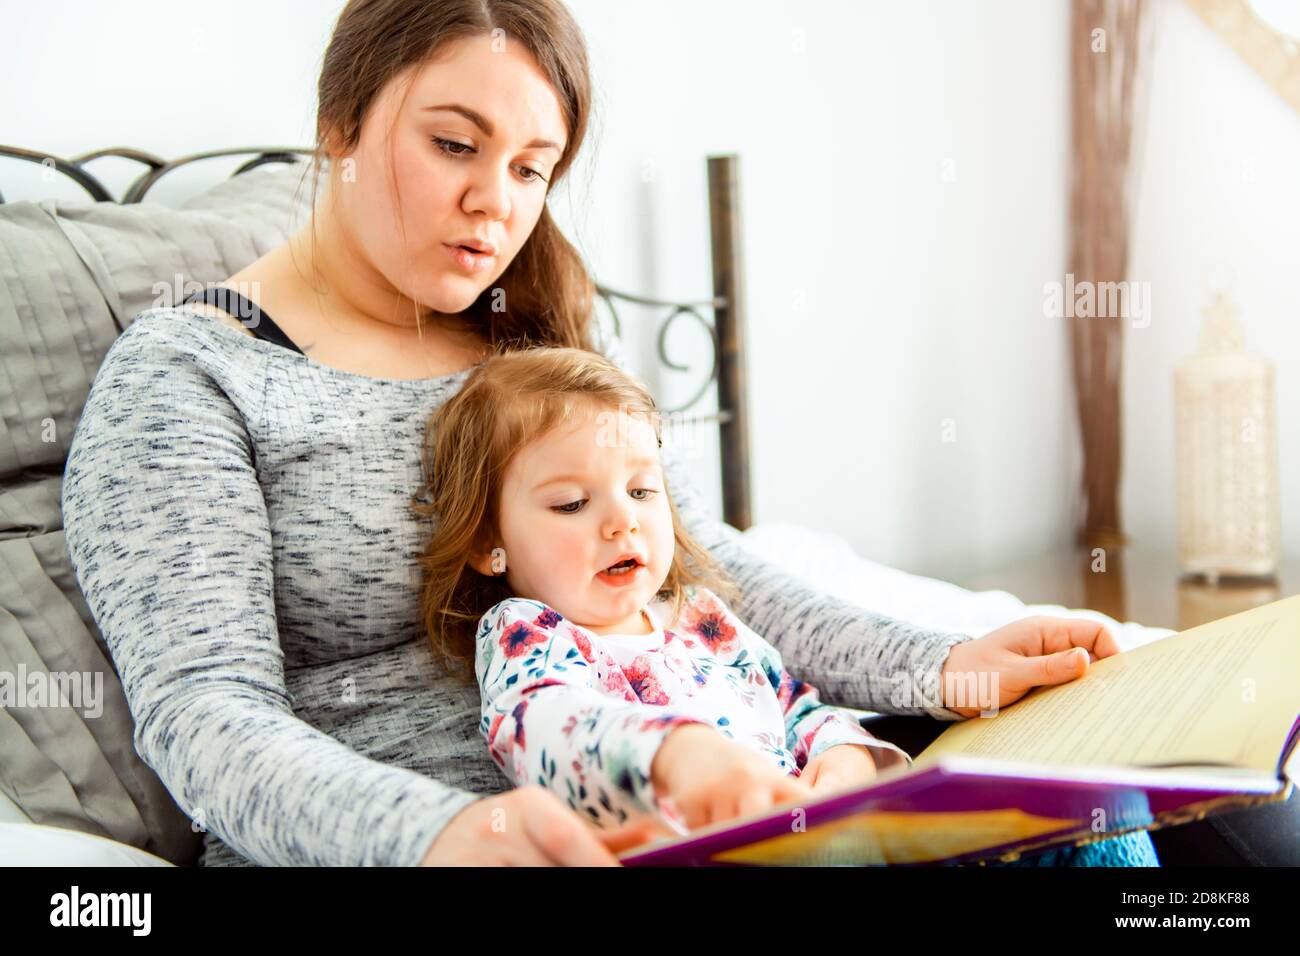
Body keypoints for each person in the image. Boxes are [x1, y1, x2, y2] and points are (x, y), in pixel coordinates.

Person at [61, 0, 1154, 866]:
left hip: (714, 811)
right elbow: (204, 714)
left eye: (533, 167)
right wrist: (442, 837)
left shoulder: (528, 345)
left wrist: (942, 661)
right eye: (454, 144)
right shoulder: (186, 378)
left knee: (1120, 813)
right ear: (338, 123)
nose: (495, 203)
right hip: (434, 841)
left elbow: (700, 574)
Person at [420, 347, 911, 833]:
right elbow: (541, 726)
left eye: (641, 492)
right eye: (571, 504)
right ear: (490, 542)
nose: (622, 523)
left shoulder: (701, 617)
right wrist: (672, 755)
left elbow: (794, 706)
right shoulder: (526, 633)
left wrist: (845, 757)